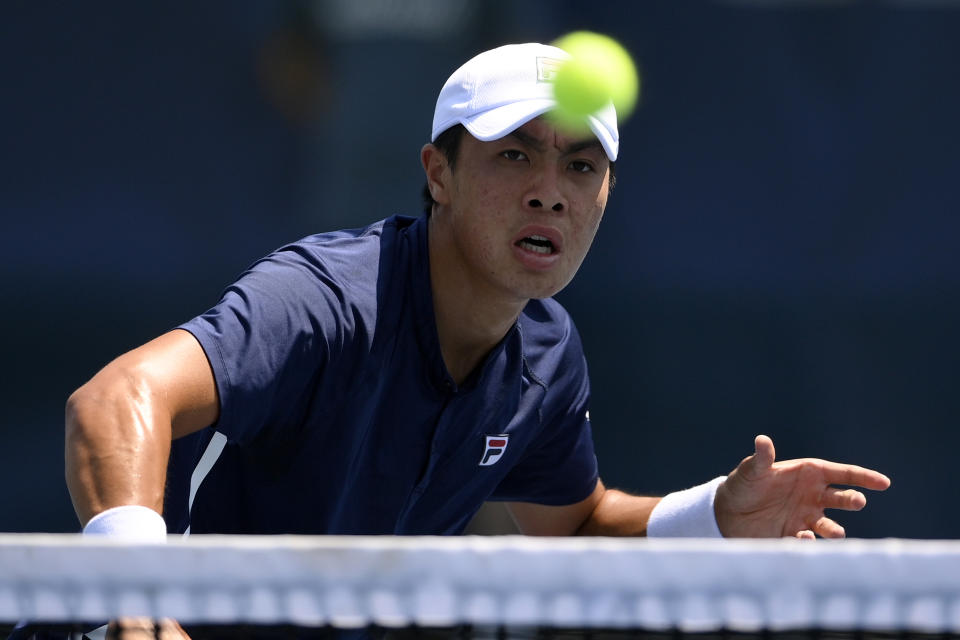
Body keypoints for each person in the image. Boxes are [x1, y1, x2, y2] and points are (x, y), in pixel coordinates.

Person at [52, 41, 889, 639]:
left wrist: (715, 517)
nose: (549, 193)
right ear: (438, 172)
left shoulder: (548, 357)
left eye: (580, 167)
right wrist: (137, 593)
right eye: (514, 156)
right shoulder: (323, 300)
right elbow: (117, 397)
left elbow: (578, 525)